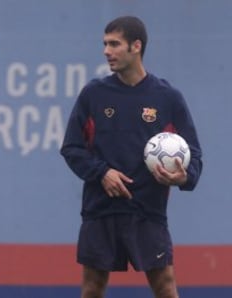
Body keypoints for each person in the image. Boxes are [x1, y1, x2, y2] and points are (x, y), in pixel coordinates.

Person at [60, 16, 202, 298]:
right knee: (92, 288)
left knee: (165, 286)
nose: (106, 51)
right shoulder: (93, 94)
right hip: (101, 208)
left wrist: (183, 176)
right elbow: (72, 148)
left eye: (114, 44)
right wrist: (102, 173)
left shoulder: (167, 97)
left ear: (136, 46)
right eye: (104, 44)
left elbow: (194, 155)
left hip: (147, 210)